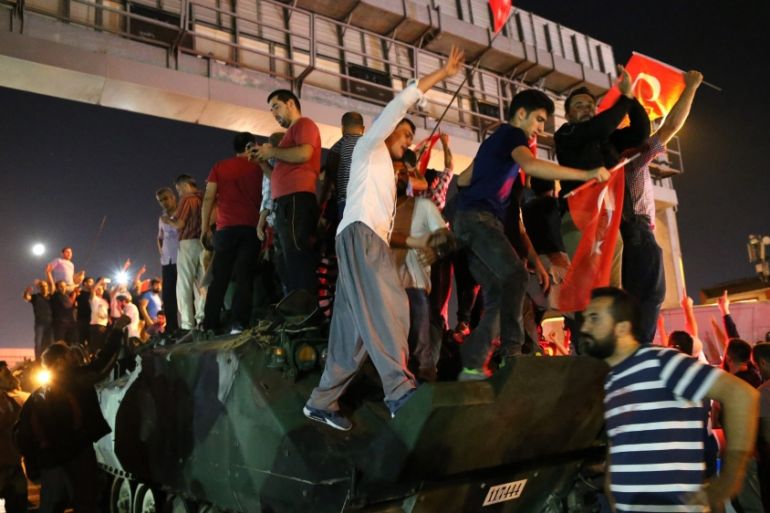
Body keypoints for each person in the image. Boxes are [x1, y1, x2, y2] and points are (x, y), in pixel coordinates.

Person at [303, 46, 466, 431]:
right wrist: (442, 74)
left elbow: (396, 225)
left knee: (352, 332)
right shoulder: (369, 145)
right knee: (391, 304)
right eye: (405, 133)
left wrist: (423, 243)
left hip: (358, 239)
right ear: (388, 129)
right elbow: (399, 103)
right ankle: (398, 391)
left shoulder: (385, 174)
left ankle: (321, 401)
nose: (408, 140)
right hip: (361, 237)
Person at [453, 89, 609, 379]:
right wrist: (586, 174)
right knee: (517, 276)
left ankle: (472, 363)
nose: (540, 129)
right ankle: (513, 355)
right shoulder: (513, 135)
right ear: (521, 114)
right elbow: (531, 164)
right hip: (480, 221)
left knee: (499, 293)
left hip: (468, 222)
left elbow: (463, 179)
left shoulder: (492, 143)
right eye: (538, 120)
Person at [581, 287, 758, 513]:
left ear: (622, 327)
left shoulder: (661, 362)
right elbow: (622, 442)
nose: (584, 327)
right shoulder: (613, 381)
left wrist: (730, 478)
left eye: (594, 318)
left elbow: (741, 395)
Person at [621, 70, 704, 344]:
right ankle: (641, 352)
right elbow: (670, 127)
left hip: (630, 234)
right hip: (638, 231)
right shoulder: (631, 159)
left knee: (639, 301)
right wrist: (691, 86)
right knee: (651, 296)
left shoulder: (615, 164)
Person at [14, 321, 126, 513]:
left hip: (51, 463)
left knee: (52, 506)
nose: (73, 358)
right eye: (68, 356)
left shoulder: (36, 397)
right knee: (86, 503)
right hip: (77, 454)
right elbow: (101, 367)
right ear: (59, 362)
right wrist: (116, 331)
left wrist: (36, 462)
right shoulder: (72, 380)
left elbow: (20, 433)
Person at [555, 66, 650, 288]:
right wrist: (624, 98)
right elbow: (599, 127)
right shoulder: (566, 134)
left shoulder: (607, 139)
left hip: (608, 218)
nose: (586, 109)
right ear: (568, 116)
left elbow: (641, 133)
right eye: (579, 106)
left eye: (590, 105)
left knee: (612, 291)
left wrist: (631, 99)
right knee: (587, 288)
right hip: (578, 216)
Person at [253, 90, 322, 298]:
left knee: (296, 253)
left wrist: (272, 152)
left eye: (276, 106)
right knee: (287, 257)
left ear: (291, 103)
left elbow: (304, 153)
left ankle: (305, 306)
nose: (274, 113)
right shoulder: (288, 138)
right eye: (271, 109)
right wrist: (261, 161)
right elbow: (275, 175)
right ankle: (295, 304)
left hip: (296, 198)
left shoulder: (304, 124)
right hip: (286, 201)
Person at [390, 157, 448, 382]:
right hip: (384, 288)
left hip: (414, 287)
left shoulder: (423, 207)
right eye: (394, 172)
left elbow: (445, 237)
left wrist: (437, 250)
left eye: (403, 173)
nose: (398, 177)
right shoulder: (376, 210)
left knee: (421, 356)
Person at [201, 132, 263, 334]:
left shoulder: (219, 167)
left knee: (220, 277)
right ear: (252, 145)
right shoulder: (259, 166)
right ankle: (239, 323)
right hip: (250, 227)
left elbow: (209, 197)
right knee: (245, 276)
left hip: (225, 229)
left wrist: (204, 228)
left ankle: (210, 323)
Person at [162, 175, 206, 331]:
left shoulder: (188, 199)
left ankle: (187, 324)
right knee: (202, 285)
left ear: (186, 186)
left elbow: (180, 224)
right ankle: (202, 319)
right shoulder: (204, 198)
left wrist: (168, 221)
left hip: (188, 243)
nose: (179, 193)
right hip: (203, 243)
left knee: (184, 285)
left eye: (179, 189)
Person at [322, 111, 365, 218]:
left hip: (345, 201)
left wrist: (320, 205)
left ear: (343, 128)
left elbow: (328, 181)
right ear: (363, 129)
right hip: (365, 201)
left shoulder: (337, 147)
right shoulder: (368, 146)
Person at [0, 361, 28, 513]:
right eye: (6, 374)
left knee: (18, 505)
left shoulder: (11, 399)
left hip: (13, 464)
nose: (11, 376)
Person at [156, 187, 180, 332]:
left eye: (165, 198)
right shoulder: (162, 218)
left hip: (181, 257)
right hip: (167, 261)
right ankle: (171, 328)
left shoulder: (182, 212)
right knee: (168, 295)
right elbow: (159, 237)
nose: (163, 203)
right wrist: (162, 252)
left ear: (173, 197)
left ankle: (191, 324)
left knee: (185, 292)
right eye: (160, 201)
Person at [752, 343, 770, 512]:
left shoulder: (763, 392)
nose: (757, 371)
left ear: (763, 362)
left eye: (756, 366)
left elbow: (766, 432)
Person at [23, 279, 54, 360]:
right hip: (40, 324)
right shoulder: (36, 297)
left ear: (48, 287)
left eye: (45, 286)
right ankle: (38, 360)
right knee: (38, 343)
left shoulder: (51, 297)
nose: (44, 287)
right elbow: (26, 297)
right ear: (39, 288)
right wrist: (26, 292)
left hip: (51, 324)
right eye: (42, 286)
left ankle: (50, 360)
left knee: (50, 343)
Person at [88, 278, 110, 354]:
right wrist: (100, 281)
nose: (100, 290)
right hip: (95, 324)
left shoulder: (105, 301)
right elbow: (93, 290)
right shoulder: (94, 299)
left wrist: (108, 318)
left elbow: (105, 312)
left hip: (104, 325)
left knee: (102, 345)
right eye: (98, 289)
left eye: (101, 289)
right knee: (95, 345)